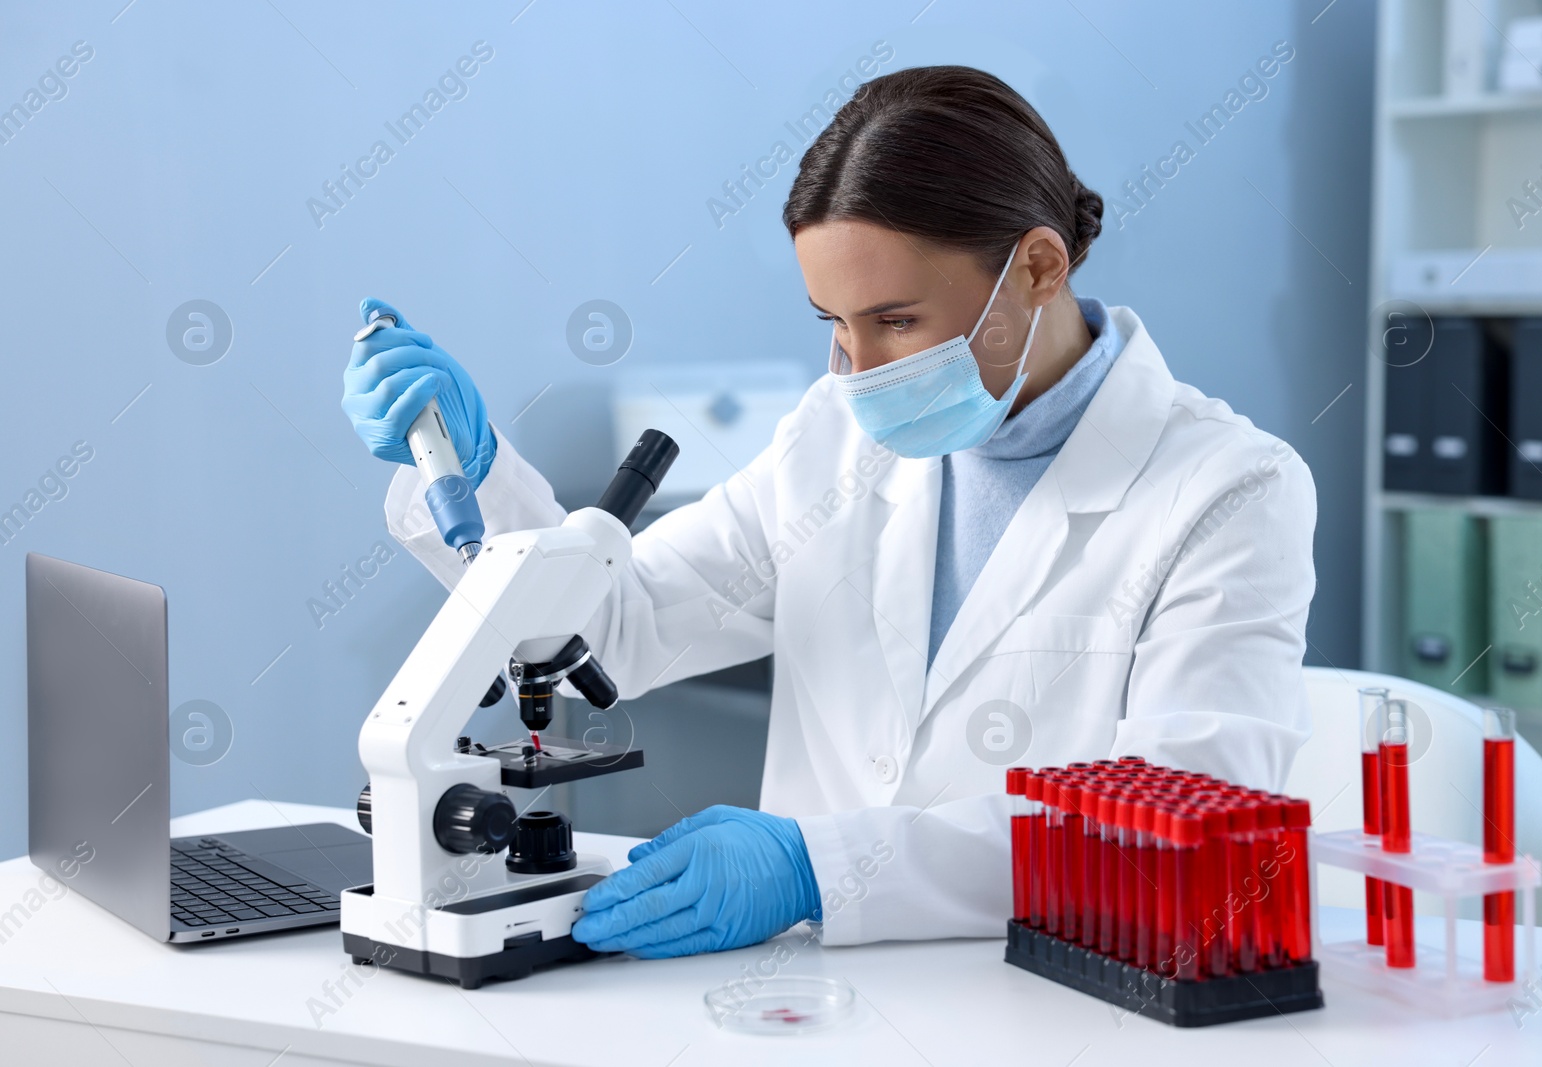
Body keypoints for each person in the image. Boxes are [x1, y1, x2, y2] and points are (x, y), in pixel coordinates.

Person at [341, 65, 1316, 959]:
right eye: (835, 327)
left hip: (1058, 1010)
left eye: (897, 320)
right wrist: (476, 471)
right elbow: (616, 628)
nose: (861, 374)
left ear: (1037, 267)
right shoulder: (833, 440)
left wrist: (824, 863)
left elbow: (1194, 826)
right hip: (812, 1011)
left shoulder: (1224, 488)